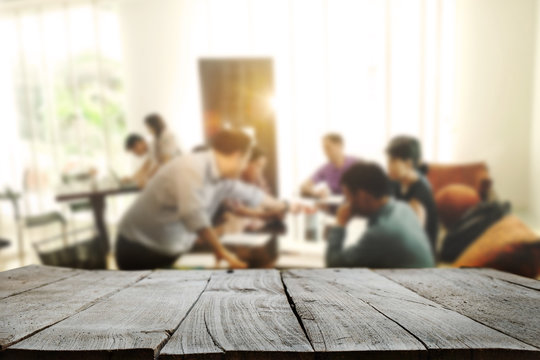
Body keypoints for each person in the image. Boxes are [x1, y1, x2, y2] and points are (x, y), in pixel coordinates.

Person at [115, 129, 289, 270]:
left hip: (170, 247)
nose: (245, 166)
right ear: (237, 156)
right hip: (139, 248)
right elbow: (193, 214)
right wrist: (220, 250)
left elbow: (248, 193)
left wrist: (284, 205)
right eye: (246, 160)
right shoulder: (191, 168)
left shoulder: (219, 176)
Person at [325, 162, 435, 268]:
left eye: (348, 197)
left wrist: (340, 223)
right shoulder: (403, 208)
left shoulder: (381, 233)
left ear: (362, 195)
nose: (346, 203)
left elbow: (334, 265)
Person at [386, 136, 439, 251]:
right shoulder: (396, 184)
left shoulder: (419, 195)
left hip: (419, 260)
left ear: (408, 164)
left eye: (392, 161)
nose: (388, 166)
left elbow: (411, 240)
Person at [301, 133, 357, 198]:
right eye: (324, 149)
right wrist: (315, 193)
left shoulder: (355, 164)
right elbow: (304, 186)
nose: (325, 152)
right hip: (335, 207)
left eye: (328, 148)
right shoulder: (326, 168)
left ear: (340, 145)